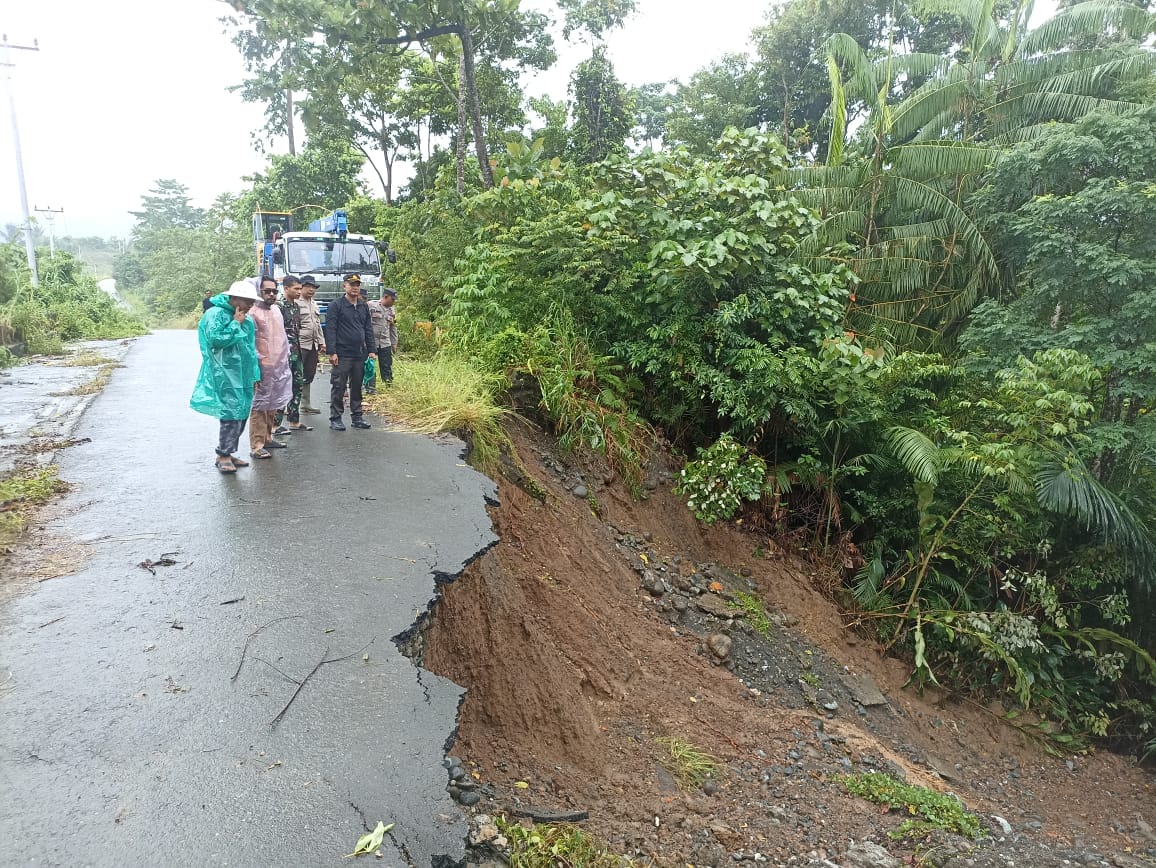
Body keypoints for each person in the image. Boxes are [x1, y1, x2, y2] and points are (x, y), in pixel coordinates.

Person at [190, 281, 261, 474]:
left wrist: (255, 374)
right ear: (234, 298)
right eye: (248, 301)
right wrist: (235, 323)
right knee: (230, 414)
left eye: (252, 301)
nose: (251, 305)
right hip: (224, 373)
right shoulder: (216, 314)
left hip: (243, 374)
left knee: (242, 413)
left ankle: (229, 451)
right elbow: (216, 340)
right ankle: (223, 455)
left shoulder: (246, 319)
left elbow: (250, 350)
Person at [248, 276, 294, 458]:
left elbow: (281, 338)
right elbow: (250, 342)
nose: (272, 294)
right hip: (261, 367)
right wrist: (255, 366)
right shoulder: (252, 312)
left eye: (275, 291)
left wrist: (285, 358)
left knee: (272, 403)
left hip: (278, 366)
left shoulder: (276, 310)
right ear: (258, 291)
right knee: (259, 405)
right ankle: (257, 445)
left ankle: (267, 437)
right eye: (267, 291)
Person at [323, 273, 375, 431]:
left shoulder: (363, 306)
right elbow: (330, 329)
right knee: (339, 386)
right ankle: (336, 418)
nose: (355, 287)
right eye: (352, 284)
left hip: (359, 353)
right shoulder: (336, 305)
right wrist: (332, 352)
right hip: (342, 354)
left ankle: (357, 416)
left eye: (357, 284)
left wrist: (372, 350)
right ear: (344, 286)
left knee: (357, 386)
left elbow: (368, 329)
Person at [273, 276, 311, 433]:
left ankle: (294, 420)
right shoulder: (278, 307)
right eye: (296, 289)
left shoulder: (296, 306)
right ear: (286, 288)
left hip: (296, 351)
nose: (299, 292)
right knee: (281, 387)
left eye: (300, 289)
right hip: (282, 353)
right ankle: (275, 424)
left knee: (297, 385)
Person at [296, 275, 325, 414]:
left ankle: (305, 404)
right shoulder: (295, 302)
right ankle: (289, 405)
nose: (311, 289)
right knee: (295, 374)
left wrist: (322, 342)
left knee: (309, 374)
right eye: (308, 286)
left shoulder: (314, 303)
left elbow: (317, 325)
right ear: (301, 287)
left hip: (312, 345)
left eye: (313, 287)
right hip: (299, 344)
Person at [366, 288, 398, 393]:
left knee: (386, 365)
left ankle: (388, 385)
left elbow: (393, 327)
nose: (394, 302)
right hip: (372, 342)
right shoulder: (371, 305)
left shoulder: (392, 310)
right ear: (385, 297)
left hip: (385, 342)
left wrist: (394, 342)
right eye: (392, 299)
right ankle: (370, 387)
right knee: (370, 365)